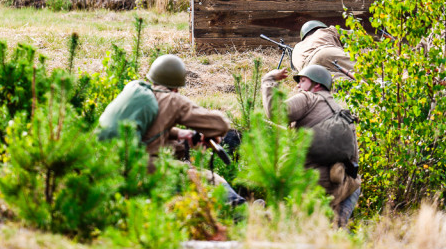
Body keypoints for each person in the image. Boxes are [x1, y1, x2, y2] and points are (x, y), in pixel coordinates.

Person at [98, 54, 247, 205]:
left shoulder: (137, 91)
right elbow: (220, 125)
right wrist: (210, 131)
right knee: (209, 178)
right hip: (145, 169)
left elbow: (145, 128)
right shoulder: (172, 100)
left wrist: (179, 132)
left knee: (178, 148)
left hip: (111, 164)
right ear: (176, 87)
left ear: (152, 78)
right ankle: (241, 213)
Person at [262, 64, 361, 227]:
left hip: (307, 188)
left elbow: (275, 112)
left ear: (317, 84)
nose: (298, 86)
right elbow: (354, 158)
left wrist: (269, 80)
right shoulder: (342, 113)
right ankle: (339, 229)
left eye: (302, 81)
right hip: (342, 189)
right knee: (333, 230)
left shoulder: (308, 98)